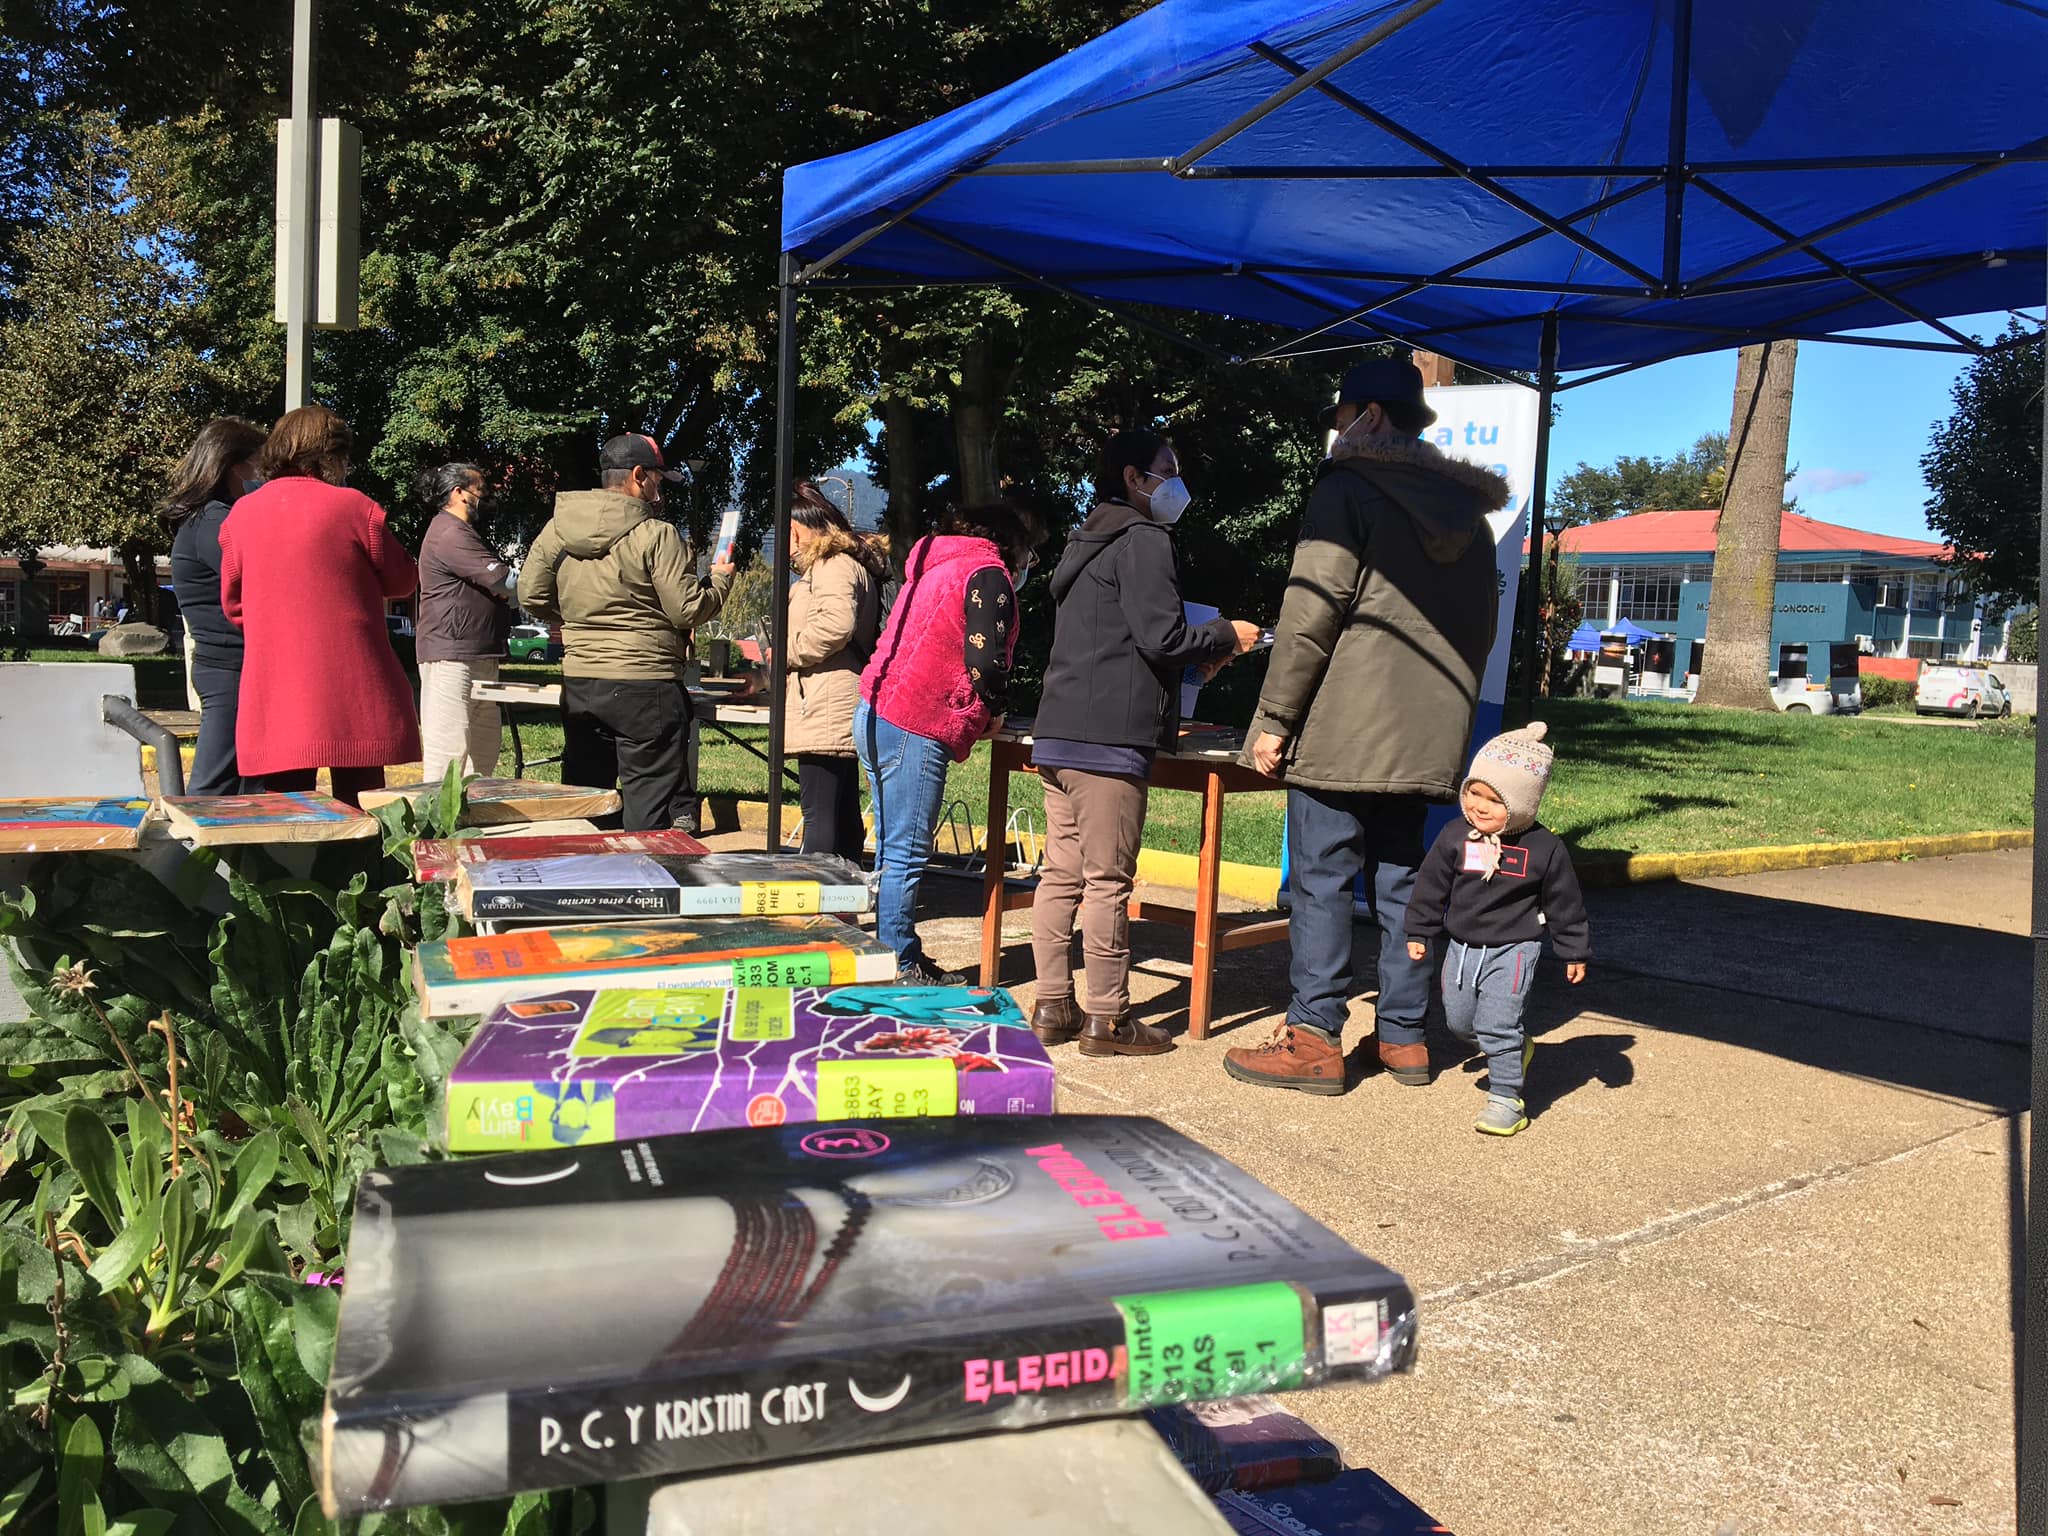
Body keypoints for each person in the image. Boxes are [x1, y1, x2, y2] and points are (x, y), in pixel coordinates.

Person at [1222, 357, 1506, 1096]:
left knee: (1319, 881)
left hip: (1344, 730)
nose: (1336, 435)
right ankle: (1405, 1038)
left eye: (1341, 421)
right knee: (1404, 882)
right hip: (1428, 734)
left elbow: (1310, 611)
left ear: (1369, 418)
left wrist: (1275, 718)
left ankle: (1313, 1039)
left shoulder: (1348, 490)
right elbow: (1483, 627)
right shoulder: (1469, 516)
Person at [1027, 430, 1261, 1057]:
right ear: (1134, 477)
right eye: (1167, 471)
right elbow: (1162, 637)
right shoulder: (1145, 539)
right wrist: (1222, 635)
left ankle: (1052, 1005)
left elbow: (1127, 640)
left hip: (1057, 732)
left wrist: (1199, 650)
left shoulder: (1085, 541)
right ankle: (1109, 1018)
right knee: (1107, 880)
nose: (1176, 483)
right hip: (1109, 739)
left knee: (1061, 874)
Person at [856, 501, 1045, 985]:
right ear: (1011, 541)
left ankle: (886, 951)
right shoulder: (986, 573)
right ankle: (898, 960)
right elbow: (984, 659)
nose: (1029, 563)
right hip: (918, 719)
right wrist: (996, 707)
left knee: (889, 849)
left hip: (876, 708)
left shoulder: (933, 564)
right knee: (906, 852)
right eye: (1028, 550)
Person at [519, 434, 733, 831]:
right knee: (648, 802)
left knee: (586, 800)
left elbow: (529, 593)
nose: (659, 488)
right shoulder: (657, 534)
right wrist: (720, 580)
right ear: (638, 476)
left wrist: (578, 620)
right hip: (645, 683)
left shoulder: (557, 530)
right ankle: (642, 886)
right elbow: (687, 608)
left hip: (581, 678)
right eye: (658, 479)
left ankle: (583, 883)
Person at [221, 405, 421, 806]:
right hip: (353, 682)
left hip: (277, 682)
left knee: (287, 810)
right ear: (331, 456)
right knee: (364, 807)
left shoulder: (241, 514)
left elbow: (233, 604)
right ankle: (363, 870)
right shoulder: (354, 507)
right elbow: (402, 582)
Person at [1404, 723, 1589, 1135]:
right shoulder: (1456, 836)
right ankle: (1515, 1049)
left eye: (1494, 800)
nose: (1479, 807)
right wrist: (1419, 931)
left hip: (1516, 949)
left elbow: (1564, 902)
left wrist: (1573, 949)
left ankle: (1507, 1098)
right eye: (1474, 793)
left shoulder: (1545, 849)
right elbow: (1431, 885)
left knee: (1497, 1024)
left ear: (1523, 803)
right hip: (1462, 947)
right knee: (1459, 1022)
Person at [159, 417, 267, 795]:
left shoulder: (210, 517)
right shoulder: (216, 522)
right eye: (260, 463)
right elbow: (261, 582)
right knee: (213, 787)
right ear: (235, 465)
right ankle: (195, 854)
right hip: (229, 668)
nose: (263, 476)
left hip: (228, 665)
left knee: (243, 785)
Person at [784, 480, 887, 859]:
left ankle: (819, 900)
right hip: (835, 698)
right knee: (839, 809)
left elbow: (835, 625)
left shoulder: (831, 566)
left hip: (826, 702)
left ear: (795, 531)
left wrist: (787, 654)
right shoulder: (847, 564)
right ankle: (841, 894)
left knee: (819, 812)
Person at [414, 462, 517, 786]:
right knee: (448, 755)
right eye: (480, 492)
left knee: (482, 755)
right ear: (458, 493)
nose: (485, 499)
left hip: (478, 652)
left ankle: (474, 827)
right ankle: (437, 833)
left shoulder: (463, 533)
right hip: (452, 656)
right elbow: (503, 581)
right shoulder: (450, 533)